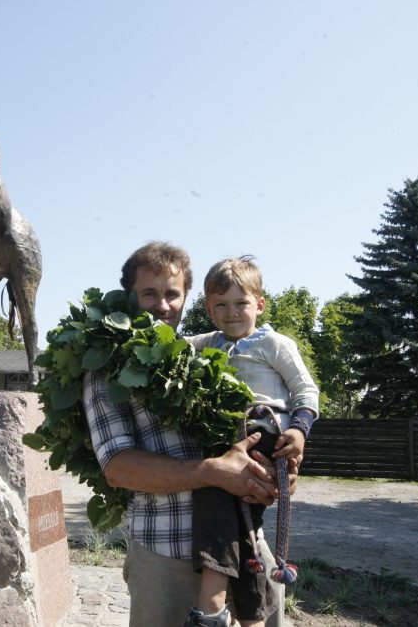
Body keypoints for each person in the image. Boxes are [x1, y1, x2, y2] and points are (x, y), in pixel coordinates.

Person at [82, 242, 296, 627]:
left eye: (172, 294)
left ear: (186, 299)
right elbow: (118, 467)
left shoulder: (208, 356)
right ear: (129, 297)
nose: (162, 305)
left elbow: (253, 430)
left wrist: (275, 472)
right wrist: (214, 472)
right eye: (149, 293)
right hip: (166, 555)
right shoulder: (106, 371)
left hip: (245, 545)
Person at [186, 256, 319, 627]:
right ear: (209, 310)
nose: (231, 313)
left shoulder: (274, 344)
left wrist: (300, 430)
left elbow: (305, 389)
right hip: (224, 440)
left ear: (259, 304)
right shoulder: (205, 344)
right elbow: (171, 348)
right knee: (243, 536)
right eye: (221, 305)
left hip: (264, 436)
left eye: (241, 303)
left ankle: (209, 609)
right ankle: (252, 619)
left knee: (212, 496)